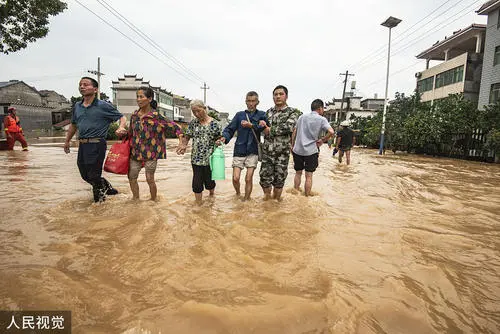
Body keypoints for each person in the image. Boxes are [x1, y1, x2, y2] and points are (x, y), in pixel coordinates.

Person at [64, 77, 127, 203]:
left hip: (97, 144)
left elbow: (122, 117)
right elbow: (74, 125)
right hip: (82, 145)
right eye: (80, 84)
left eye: (86, 84)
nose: (82, 87)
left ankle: (99, 205)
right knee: (84, 175)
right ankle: (108, 189)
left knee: (93, 175)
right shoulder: (77, 106)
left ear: (95, 89)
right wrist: (67, 141)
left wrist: (121, 127)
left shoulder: (103, 106)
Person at [128, 87, 183, 201]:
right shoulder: (134, 116)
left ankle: (153, 201)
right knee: (132, 177)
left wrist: (181, 142)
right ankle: (135, 199)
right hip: (135, 152)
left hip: (151, 152)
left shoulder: (156, 116)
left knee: (149, 178)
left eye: (141, 97)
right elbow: (130, 133)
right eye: (137, 97)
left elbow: (176, 127)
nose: (138, 99)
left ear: (149, 99)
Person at [217, 91, 267, 201]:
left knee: (248, 179)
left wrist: (251, 125)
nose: (251, 103)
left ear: (257, 102)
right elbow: (230, 129)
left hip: (253, 150)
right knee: (235, 178)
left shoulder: (262, 115)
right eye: (249, 101)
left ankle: (246, 200)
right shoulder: (239, 115)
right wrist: (224, 137)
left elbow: (263, 128)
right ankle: (238, 193)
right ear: (245, 102)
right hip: (239, 149)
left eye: (253, 101)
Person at [258, 85, 301, 201]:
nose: (278, 96)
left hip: (282, 153)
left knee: (279, 180)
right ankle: (267, 203)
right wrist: (261, 125)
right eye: (275, 94)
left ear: (286, 96)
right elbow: (260, 127)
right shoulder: (267, 113)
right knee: (264, 178)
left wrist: (269, 129)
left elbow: (289, 126)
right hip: (267, 152)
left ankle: (276, 203)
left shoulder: (293, 112)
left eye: (281, 94)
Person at [176, 99, 222, 203]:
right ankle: (198, 205)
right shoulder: (193, 123)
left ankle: (211, 195)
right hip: (196, 159)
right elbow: (187, 137)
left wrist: (219, 142)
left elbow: (221, 138)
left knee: (209, 182)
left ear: (204, 108)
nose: (196, 114)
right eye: (194, 112)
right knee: (197, 183)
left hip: (210, 159)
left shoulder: (215, 124)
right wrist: (183, 145)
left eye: (198, 111)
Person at [291, 99, 334, 196]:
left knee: (298, 173)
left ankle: (295, 193)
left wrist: (292, 145)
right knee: (309, 176)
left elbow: (294, 131)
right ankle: (306, 197)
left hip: (298, 150)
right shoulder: (322, 119)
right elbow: (331, 132)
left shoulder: (302, 117)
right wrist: (323, 140)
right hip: (311, 151)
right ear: (320, 108)